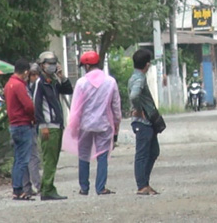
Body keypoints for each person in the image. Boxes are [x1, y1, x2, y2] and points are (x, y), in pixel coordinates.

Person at [63, 51, 121, 196]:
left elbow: (76, 107)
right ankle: (101, 187)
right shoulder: (110, 82)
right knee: (102, 156)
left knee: (83, 155)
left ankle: (84, 187)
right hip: (104, 124)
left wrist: (73, 126)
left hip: (85, 124)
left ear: (87, 66)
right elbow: (116, 106)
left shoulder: (81, 83)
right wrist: (116, 124)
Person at [34, 51, 73, 201]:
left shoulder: (54, 82)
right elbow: (36, 106)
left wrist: (62, 77)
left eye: (54, 63)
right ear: (42, 65)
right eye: (49, 63)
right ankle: (48, 189)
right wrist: (42, 125)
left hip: (56, 125)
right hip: (48, 127)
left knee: (54, 158)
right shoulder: (40, 83)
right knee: (49, 159)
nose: (52, 66)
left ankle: (46, 188)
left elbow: (68, 90)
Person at [128, 49, 160, 195]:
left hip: (146, 122)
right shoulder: (139, 79)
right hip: (142, 122)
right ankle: (142, 185)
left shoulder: (135, 76)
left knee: (153, 151)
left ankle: (145, 183)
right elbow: (134, 95)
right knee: (142, 153)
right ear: (147, 64)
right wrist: (138, 109)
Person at [3, 58, 35, 201]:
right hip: (23, 124)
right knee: (23, 160)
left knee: (17, 159)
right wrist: (34, 117)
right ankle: (19, 190)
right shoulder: (19, 85)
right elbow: (28, 106)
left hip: (13, 125)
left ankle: (16, 189)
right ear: (26, 72)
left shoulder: (8, 84)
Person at [22, 63, 42, 197]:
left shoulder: (31, 87)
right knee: (33, 157)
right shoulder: (24, 88)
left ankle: (26, 188)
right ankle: (38, 185)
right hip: (27, 124)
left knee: (24, 157)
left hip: (23, 125)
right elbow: (30, 107)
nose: (35, 78)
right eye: (32, 75)